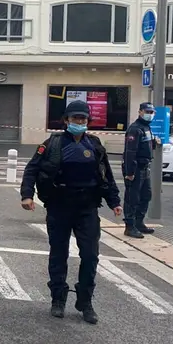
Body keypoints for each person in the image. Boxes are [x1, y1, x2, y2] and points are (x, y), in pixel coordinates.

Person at [20, 100, 123, 325]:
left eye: (83, 119)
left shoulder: (94, 145)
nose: (79, 122)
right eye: (75, 118)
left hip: (87, 208)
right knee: (59, 254)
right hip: (59, 205)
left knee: (90, 255)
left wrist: (114, 201)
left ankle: (85, 300)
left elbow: (106, 176)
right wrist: (26, 195)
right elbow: (32, 169)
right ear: (66, 120)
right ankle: (58, 298)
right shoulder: (52, 144)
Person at [123, 102, 161, 239]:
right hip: (136, 167)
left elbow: (147, 147)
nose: (149, 115)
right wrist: (130, 172)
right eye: (147, 112)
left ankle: (139, 222)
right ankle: (129, 226)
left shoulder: (146, 128)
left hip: (145, 167)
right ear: (140, 112)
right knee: (132, 198)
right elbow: (130, 152)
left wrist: (155, 143)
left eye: (151, 113)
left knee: (146, 196)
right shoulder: (135, 129)